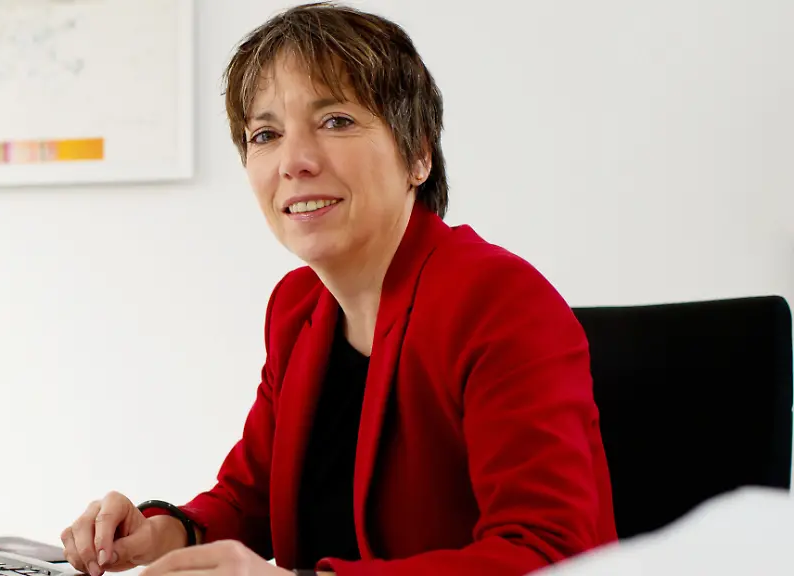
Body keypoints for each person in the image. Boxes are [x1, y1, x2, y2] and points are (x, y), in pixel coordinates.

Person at [61, 3, 617, 575]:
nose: (294, 162)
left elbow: (548, 555)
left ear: (418, 154)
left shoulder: (500, 300)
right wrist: (163, 533)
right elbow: (248, 496)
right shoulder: (297, 306)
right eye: (266, 134)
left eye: (336, 121)